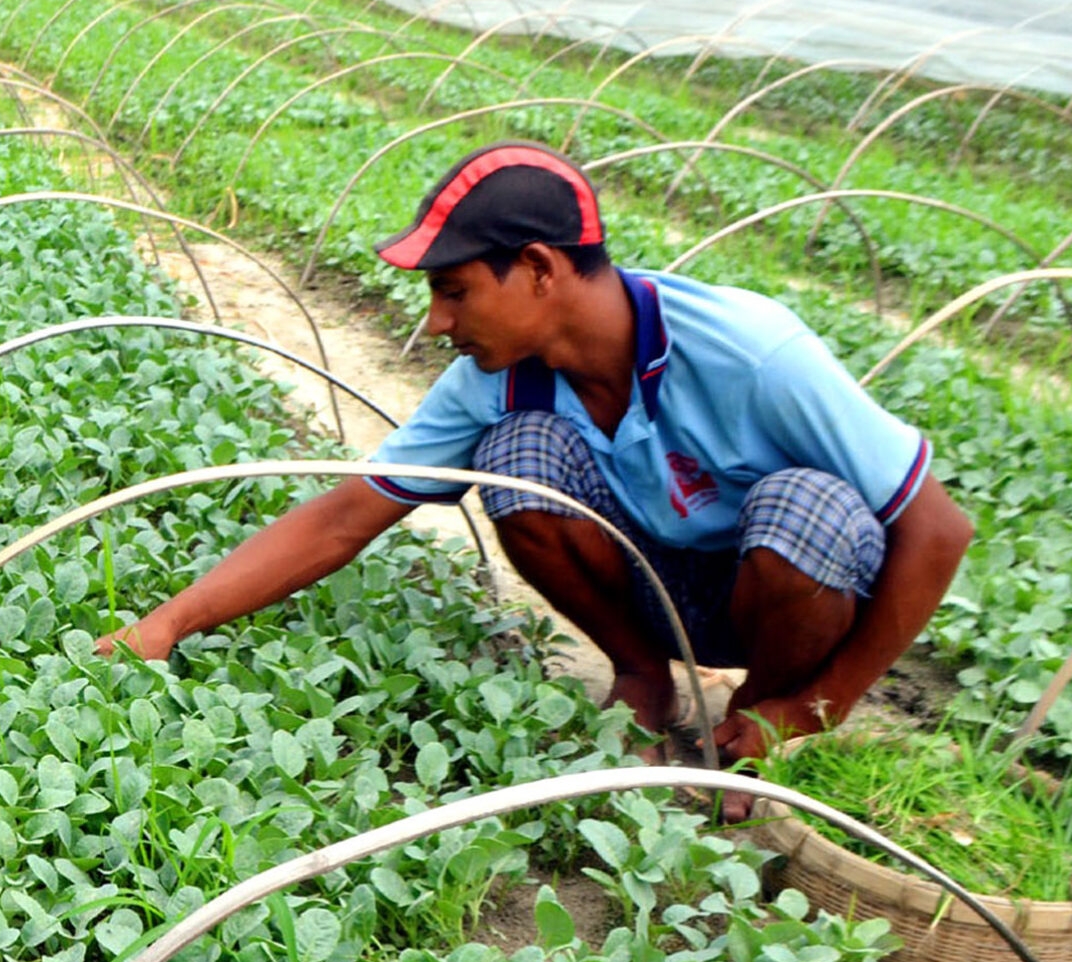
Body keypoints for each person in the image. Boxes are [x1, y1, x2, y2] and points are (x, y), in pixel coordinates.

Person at [100, 142, 974, 774]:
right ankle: (641, 673)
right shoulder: (501, 379)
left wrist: (818, 706)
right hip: (655, 586)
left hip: (785, 592)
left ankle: (755, 722)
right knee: (520, 455)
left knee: (805, 508)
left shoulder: (750, 349)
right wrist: (165, 626)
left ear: (539, 268)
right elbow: (343, 517)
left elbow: (937, 530)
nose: (438, 321)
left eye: (454, 291)